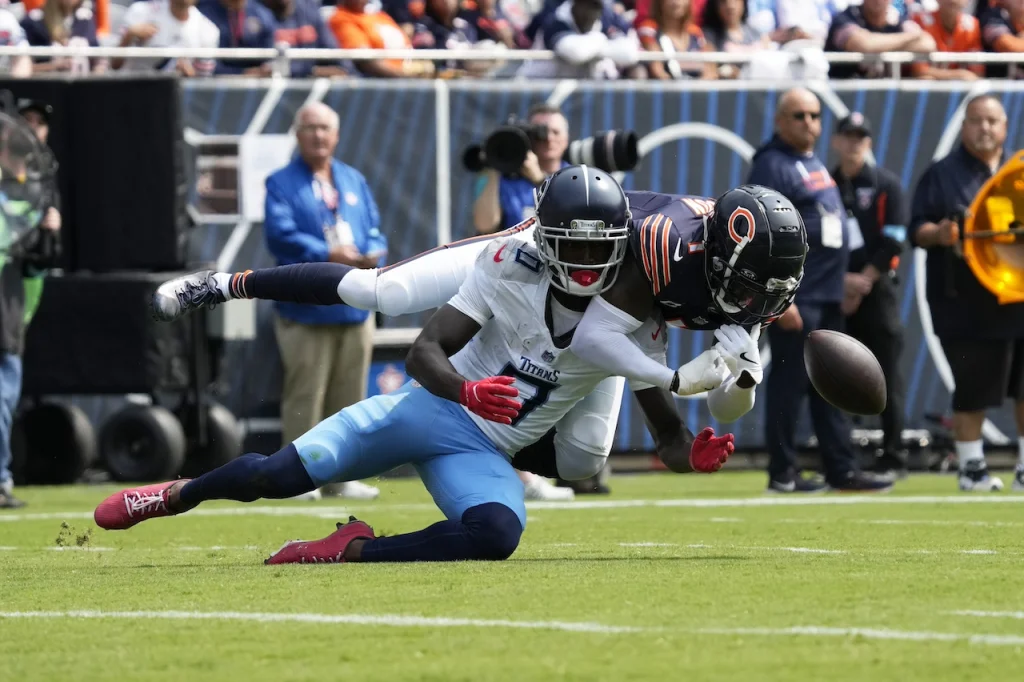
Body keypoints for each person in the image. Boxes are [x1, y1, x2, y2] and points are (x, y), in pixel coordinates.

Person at [95, 167, 738, 564]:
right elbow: (424, 349)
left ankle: (354, 550)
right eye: (573, 248)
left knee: (515, 518)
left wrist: (694, 456)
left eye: (601, 254)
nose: (588, 267)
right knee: (376, 303)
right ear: (545, 237)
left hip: (485, 448)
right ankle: (177, 489)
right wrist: (466, 391)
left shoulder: (635, 314)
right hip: (432, 413)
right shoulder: (510, 264)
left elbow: (670, 439)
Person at [743, 88, 892, 493]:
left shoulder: (811, 163)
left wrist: (840, 281)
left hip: (827, 294)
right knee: (789, 386)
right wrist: (779, 298)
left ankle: (841, 469)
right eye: (798, 116)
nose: (808, 122)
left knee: (835, 385)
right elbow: (762, 235)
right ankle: (782, 473)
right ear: (780, 121)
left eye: (814, 115)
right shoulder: (772, 164)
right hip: (798, 295)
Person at [264, 102, 386, 501]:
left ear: (336, 135)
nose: (318, 135)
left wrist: (372, 253)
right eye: (310, 128)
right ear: (298, 134)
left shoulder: (353, 179)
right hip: (305, 308)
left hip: (353, 304)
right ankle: (296, 478)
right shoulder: (281, 183)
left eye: (325, 128)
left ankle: (342, 476)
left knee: (350, 399)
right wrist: (326, 252)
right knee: (306, 395)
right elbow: (281, 237)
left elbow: (375, 231)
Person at [909, 93, 1024, 492]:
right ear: (964, 126)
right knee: (973, 388)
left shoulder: (1017, 170)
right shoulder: (941, 174)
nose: (985, 128)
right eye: (977, 120)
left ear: (1005, 127)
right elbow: (916, 230)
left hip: (1018, 297)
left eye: (993, 121)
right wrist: (939, 234)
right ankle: (971, 468)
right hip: (966, 303)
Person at [830, 112, 909, 478]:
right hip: (835, 290)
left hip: (877, 294)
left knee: (887, 375)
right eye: (848, 136)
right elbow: (812, 240)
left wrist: (862, 281)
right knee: (839, 376)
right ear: (836, 141)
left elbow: (894, 238)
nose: (854, 143)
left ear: (869, 142)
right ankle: (842, 456)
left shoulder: (885, 185)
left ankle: (892, 454)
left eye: (861, 136)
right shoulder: (825, 184)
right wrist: (841, 281)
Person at [472, 102, 570, 236]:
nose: (548, 138)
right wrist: (496, 164)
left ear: (566, 138)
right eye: (539, 133)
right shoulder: (504, 179)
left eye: (555, 132)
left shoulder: (574, 178)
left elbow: (572, 220)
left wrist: (540, 181)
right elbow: (485, 226)